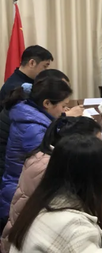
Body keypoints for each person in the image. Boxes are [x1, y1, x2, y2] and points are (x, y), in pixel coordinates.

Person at [1, 116, 102, 253]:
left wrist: (100, 228)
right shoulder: (50, 170)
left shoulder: (47, 156)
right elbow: (84, 205)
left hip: (25, 243)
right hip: (24, 250)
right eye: (98, 141)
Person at [0, 77, 72, 225]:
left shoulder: (33, 116)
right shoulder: (33, 129)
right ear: (47, 103)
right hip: (20, 201)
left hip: (23, 190)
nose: (65, 111)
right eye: (63, 106)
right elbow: (53, 170)